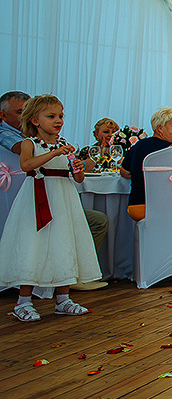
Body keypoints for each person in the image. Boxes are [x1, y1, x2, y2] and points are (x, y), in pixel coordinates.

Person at [0, 95, 100, 320]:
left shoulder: (65, 145)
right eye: (51, 116)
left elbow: (79, 178)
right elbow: (26, 165)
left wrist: (77, 167)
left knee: (64, 243)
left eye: (60, 116)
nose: (58, 120)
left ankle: (63, 299)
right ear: (35, 120)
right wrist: (53, 153)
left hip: (64, 200)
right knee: (34, 245)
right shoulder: (30, 144)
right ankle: (23, 302)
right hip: (38, 198)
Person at [120, 106, 172, 220]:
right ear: (159, 128)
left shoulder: (138, 145)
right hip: (162, 208)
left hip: (136, 207)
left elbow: (123, 172)